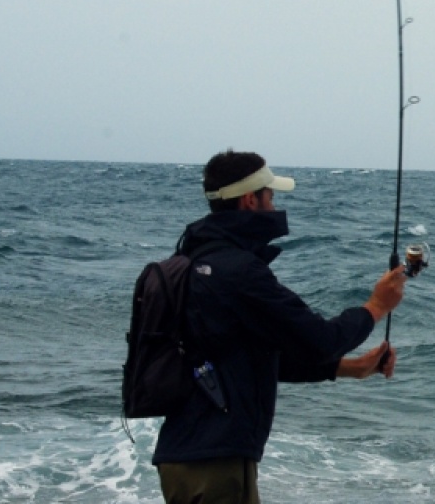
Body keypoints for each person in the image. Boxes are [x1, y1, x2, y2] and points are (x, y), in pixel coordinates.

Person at [152, 149, 408, 504]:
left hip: (183, 457)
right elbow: (320, 339)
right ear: (250, 200)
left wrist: (346, 368)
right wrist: (376, 306)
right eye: (271, 197)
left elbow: (241, 360)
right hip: (217, 465)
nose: (274, 207)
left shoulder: (191, 260)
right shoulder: (239, 272)